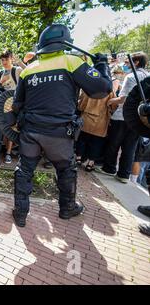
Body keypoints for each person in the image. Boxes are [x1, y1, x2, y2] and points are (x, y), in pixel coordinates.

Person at [9, 24, 112, 228]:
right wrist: (101, 65)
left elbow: (16, 104)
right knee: (66, 170)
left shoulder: (29, 69)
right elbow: (102, 89)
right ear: (64, 42)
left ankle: (21, 213)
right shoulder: (72, 62)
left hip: (31, 132)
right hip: (59, 133)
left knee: (24, 171)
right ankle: (67, 208)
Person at [97, 52, 149, 183]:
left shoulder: (131, 77)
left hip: (122, 116)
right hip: (139, 121)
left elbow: (123, 98)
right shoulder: (148, 76)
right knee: (130, 147)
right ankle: (124, 174)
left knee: (114, 144)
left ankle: (109, 168)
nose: (126, 64)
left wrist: (109, 101)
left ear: (136, 62)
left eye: (127, 62)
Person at [0, 50, 23, 164]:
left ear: (11, 58)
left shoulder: (16, 70)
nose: (4, 62)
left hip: (14, 105)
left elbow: (29, 74)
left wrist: (21, 63)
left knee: (13, 128)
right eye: (2, 60)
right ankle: (6, 150)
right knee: (4, 128)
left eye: (6, 59)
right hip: (3, 105)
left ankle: (8, 153)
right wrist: (0, 83)